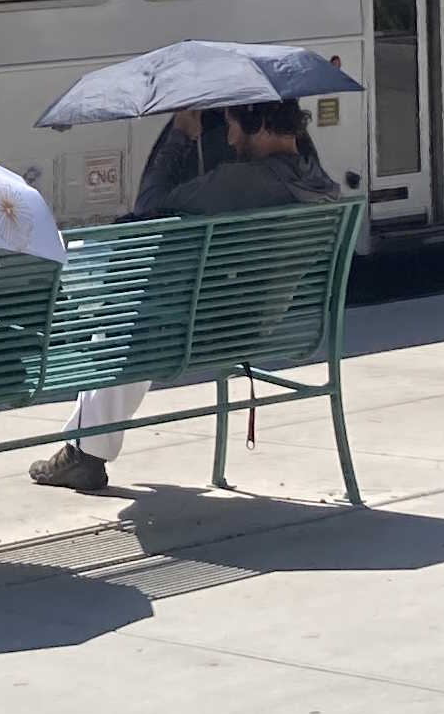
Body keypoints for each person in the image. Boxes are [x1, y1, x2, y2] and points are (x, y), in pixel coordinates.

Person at [30, 98, 341, 494]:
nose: (228, 139)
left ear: (260, 123)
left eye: (231, 125)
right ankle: (83, 446)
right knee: (141, 312)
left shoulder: (241, 183)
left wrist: (179, 138)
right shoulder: (319, 185)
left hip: (204, 334)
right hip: (268, 328)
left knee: (124, 320)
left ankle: (85, 452)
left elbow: (149, 209)